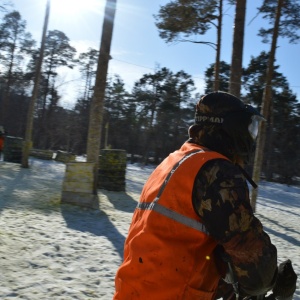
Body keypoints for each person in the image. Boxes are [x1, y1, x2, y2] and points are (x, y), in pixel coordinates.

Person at [114, 91, 297, 300]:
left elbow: (177, 246)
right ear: (232, 127)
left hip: (132, 290)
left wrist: (227, 284)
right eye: (250, 128)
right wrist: (275, 280)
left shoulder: (173, 162)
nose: (251, 137)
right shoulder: (217, 172)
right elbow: (253, 265)